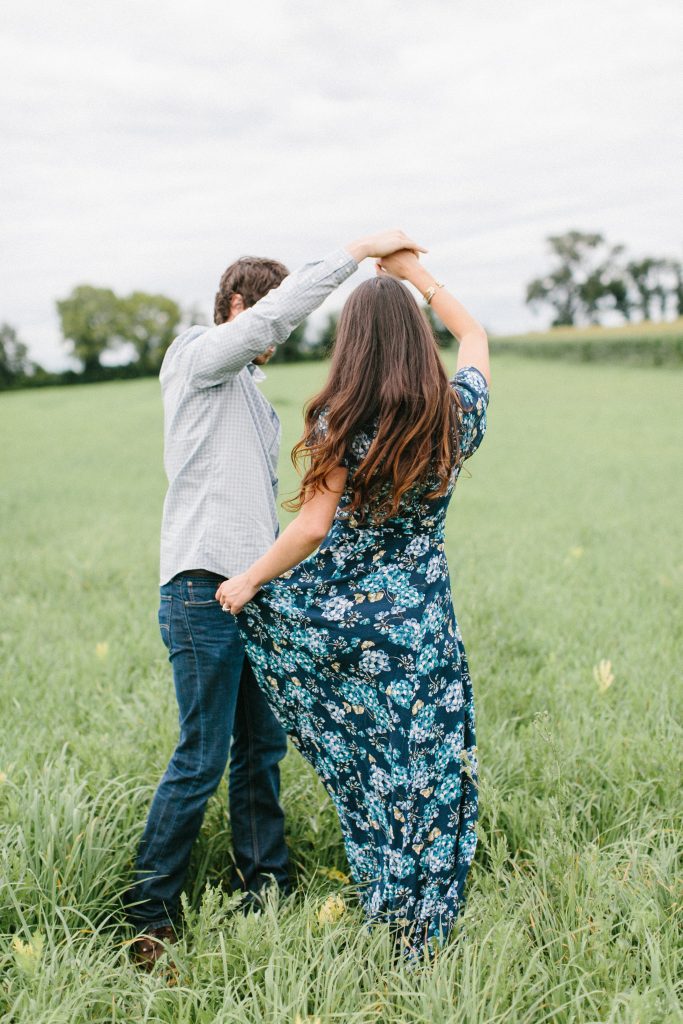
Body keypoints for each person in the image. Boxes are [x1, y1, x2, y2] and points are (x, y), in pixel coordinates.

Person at [127, 229, 427, 968]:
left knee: (260, 748)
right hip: (200, 589)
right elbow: (264, 323)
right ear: (237, 305)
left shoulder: (253, 404)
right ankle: (149, 911)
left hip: (250, 594)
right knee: (202, 754)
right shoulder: (196, 356)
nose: (280, 334)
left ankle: (264, 885)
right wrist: (353, 255)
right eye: (268, 315)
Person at [216, 247, 490, 958]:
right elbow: (477, 338)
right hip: (424, 623)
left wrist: (248, 581)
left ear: (353, 346)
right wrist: (414, 276)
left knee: (369, 766)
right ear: (416, 340)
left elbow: (310, 527)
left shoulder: (341, 418)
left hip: (351, 627)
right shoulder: (456, 414)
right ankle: (429, 908)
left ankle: (385, 902)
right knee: (423, 764)